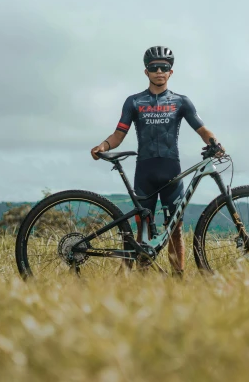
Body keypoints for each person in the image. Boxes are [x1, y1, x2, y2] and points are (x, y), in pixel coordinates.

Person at [90, 46, 224, 276]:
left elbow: (201, 129)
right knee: (144, 230)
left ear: (171, 72)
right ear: (146, 72)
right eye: (154, 67)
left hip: (171, 171)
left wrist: (214, 142)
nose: (159, 71)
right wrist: (103, 145)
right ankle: (143, 284)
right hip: (145, 172)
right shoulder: (134, 102)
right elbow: (118, 135)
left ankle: (178, 280)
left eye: (165, 67)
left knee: (175, 229)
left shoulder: (181, 102)